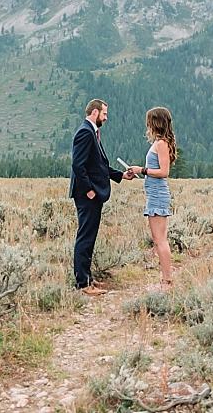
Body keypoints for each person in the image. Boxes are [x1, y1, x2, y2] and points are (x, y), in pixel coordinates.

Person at [69, 98, 133, 294]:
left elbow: (99, 166)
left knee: (89, 236)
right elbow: (78, 165)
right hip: (87, 195)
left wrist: (120, 175)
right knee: (85, 237)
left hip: (93, 193)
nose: (106, 117)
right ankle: (83, 284)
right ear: (95, 112)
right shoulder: (85, 133)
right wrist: (89, 190)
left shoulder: (92, 133)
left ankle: (87, 278)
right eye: (104, 113)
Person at [128, 106, 177, 289]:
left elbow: (164, 172)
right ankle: (166, 278)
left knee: (160, 240)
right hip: (154, 193)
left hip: (157, 194)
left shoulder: (161, 144)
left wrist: (142, 170)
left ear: (154, 122)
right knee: (159, 239)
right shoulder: (159, 143)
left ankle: (167, 279)